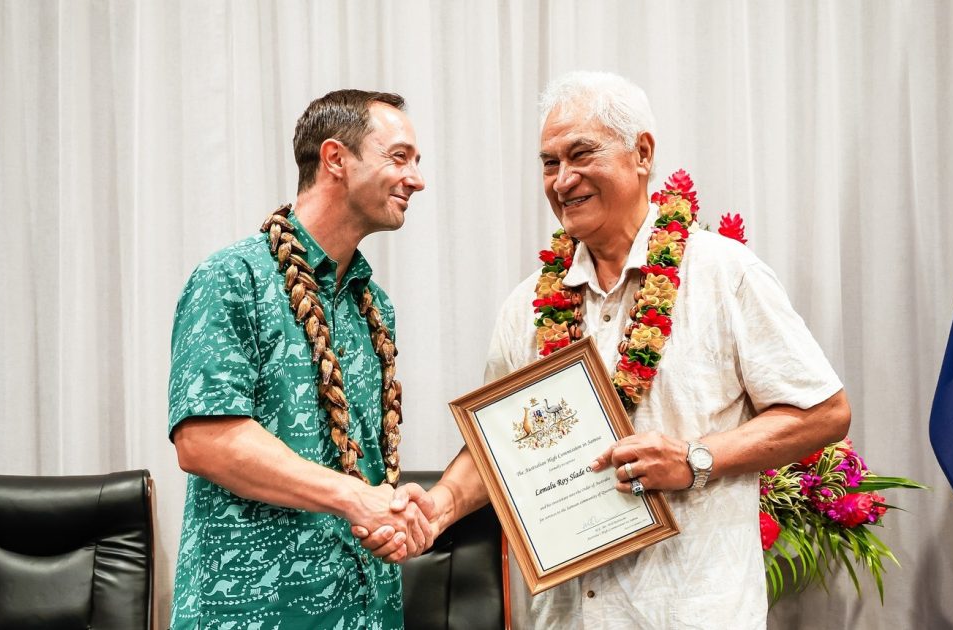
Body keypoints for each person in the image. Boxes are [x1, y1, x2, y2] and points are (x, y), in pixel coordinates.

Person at [358, 71, 851, 629]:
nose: (563, 180)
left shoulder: (723, 275)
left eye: (581, 155)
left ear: (642, 153)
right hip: (566, 617)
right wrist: (440, 505)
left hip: (689, 611)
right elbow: (497, 449)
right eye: (549, 163)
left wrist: (694, 461)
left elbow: (824, 412)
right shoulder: (526, 307)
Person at [167, 89, 433, 630]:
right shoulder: (233, 279)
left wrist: (397, 512)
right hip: (251, 612)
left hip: (365, 612)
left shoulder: (373, 306)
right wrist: (355, 499)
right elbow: (204, 441)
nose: (416, 179)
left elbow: (360, 468)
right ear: (336, 159)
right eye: (399, 157)